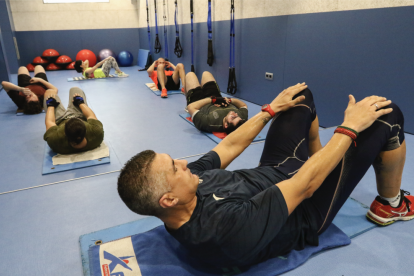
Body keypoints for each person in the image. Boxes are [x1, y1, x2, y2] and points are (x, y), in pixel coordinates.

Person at [117, 83, 413, 269]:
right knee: (387, 114)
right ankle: (391, 203)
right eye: (174, 167)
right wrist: (349, 128)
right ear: (167, 199)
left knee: (299, 96)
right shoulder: (220, 232)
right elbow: (304, 185)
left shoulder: (185, 186)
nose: (183, 163)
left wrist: (270, 110)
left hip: (274, 170)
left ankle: (325, 159)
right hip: (306, 207)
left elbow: (230, 144)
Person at [44, 87, 104, 154]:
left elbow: (50, 121)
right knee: (75, 89)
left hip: (59, 119)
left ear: (64, 133)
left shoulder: (55, 140)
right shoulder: (97, 132)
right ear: (85, 129)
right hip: (78, 114)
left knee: (49, 92)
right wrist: (80, 103)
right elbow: (90, 115)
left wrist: (50, 105)